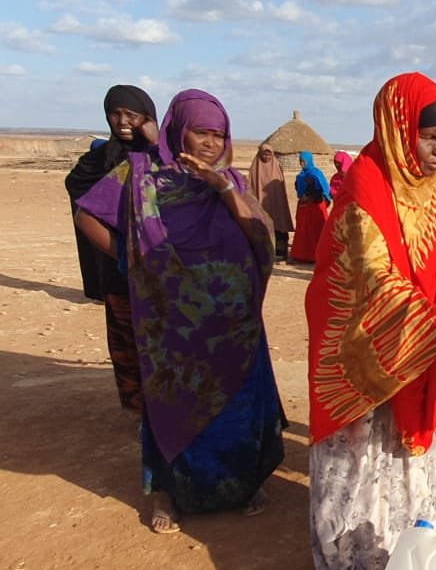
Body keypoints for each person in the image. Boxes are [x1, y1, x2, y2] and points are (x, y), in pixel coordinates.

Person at [305, 72, 436, 570]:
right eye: (428, 138)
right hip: (359, 348)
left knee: (402, 455)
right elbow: (375, 279)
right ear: (397, 129)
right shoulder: (365, 186)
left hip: (414, 345)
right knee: (360, 453)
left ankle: (403, 553)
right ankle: (354, 562)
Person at [75, 89, 284, 533]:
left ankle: (243, 483)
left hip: (234, 319)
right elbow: (86, 215)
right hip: (172, 318)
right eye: (201, 132)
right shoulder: (140, 174)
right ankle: (168, 494)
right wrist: (133, 258)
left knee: (237, 403)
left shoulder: (232, 180)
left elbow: (261, 235)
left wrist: (221, 186)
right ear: (179, 130)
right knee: (173, 403)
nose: (210, 142)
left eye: (219, 134)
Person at [64, 84, 158, 412]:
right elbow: (78, 190)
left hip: (161, 264)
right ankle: (140, 407)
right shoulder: (98, 160)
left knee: (162, 339)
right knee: (126, 339)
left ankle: (167, 407)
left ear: (148, 117)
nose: (122, 121)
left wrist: (158, 145)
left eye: (132, 114)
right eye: (115, 114)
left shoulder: (164, 156)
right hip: (117, 262)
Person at [248, 142, 293, 261]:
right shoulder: (255, 168)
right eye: (264, 154)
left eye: (269, 155)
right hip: (260, 203)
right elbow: (251, 188)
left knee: (279, 224)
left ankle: (280, 252)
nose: (266, 157)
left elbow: (281, 188)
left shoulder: (277, 168)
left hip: (277, 203)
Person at [289, 151, 331, 263]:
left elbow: (323, 189)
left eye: (304, 161)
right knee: (303, 230)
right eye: (300, 161)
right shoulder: (300, 176)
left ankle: (316, 256)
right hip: (304, 207)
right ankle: (302, 255)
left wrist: (309, 195)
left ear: (309, 161)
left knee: (316, 230)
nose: (302, 164)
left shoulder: (316, 174)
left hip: (315, 207)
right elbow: (298, 190)